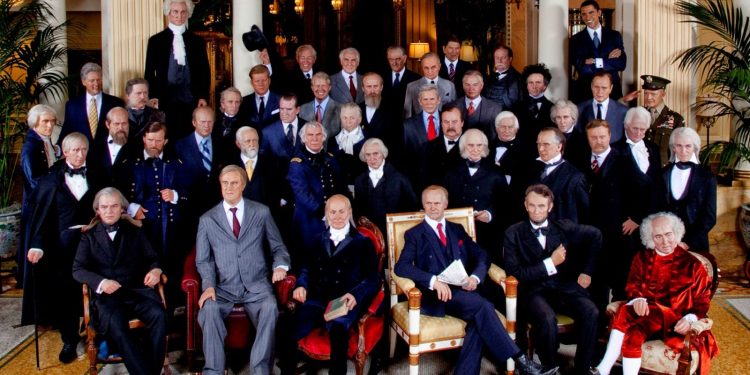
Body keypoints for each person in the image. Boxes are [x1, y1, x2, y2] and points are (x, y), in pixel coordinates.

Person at [393, 185, 556, 375]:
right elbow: (401, 266)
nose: (433, 207)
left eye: (437, 202)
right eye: (428, 203)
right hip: (437, 295)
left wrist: (476, 277)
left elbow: (483, 255)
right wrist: (433, 281)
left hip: (465, 291)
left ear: (445, 204)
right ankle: (522, 361)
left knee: (479, 322)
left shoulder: (457, 229)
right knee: (484, 307)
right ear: (423, 204)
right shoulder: (414, 234)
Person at [591, 212, 718, 375]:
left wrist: (690, 318)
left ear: (676, 233)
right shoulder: (641, 258)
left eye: (668, 234)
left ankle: (603, 369)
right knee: (633, 335)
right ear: (650, 238)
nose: (665, 241)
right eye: (658, 236)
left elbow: (702, 302)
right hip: (645, 318)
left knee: (625, 310)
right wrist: (637, 299)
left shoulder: (693, 265)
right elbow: (633, 286)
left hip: (674, 323)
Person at [196, 165, 291, 375]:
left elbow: (278, 247)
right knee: (209, 310)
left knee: (269, 307)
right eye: (225, 183)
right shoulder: (207, 220)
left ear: (243, 185)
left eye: (234, 183)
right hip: (222, 287)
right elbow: (203, 260)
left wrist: (280, 266)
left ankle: (260, 369)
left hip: (256, 285)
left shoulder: (261, 212)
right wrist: (209, 286)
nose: (229, 188)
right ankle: (214, 370)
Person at [503, 184, 601, 375]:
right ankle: (550, 367)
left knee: (592, 311)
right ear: (525, 205)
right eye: (532, 205)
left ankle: (583, 368)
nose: (536, 210)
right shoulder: (513, 233)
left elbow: (596, 236)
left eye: (541, 206)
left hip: (563, 288)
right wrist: (550, 263)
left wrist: (587, 271)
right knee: (547, 319)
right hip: (533, 291)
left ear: (550, 207)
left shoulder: (564, 227)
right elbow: (516, 273)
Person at [22, 133, 100, 364]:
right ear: (64, 152)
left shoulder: (99, 175)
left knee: (98, 289)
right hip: (62, 247)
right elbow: (41, 218)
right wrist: (37, 245)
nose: (80, 154)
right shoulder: (50, 181)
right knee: (65, 293)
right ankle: (69, 339)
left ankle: (101, 335)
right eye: (75, 150)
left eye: (83, 149)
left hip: (95, 244)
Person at [280, 195, 379, 375]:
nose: (338, 216)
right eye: (333, 212)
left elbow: (373, 278)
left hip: (344, 301)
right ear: (326, 213)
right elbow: (306, 269)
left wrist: (355, 295)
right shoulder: (316, 239)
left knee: (338, 334)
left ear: (349, 212)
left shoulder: (363, 242)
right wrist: (301, 285)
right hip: (317, 298)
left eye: (342, 211)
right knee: (288, 327)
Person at [72, 187, 167, 375]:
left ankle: (151, 371)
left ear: (122, 209)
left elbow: (153, 258)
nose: (109, 211)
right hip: (108, 300)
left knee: (159, 316)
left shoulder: (135, 231)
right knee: (118, 327)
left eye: (114, 206)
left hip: (137, 292)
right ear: (97, 210)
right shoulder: (88, 236)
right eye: (104, 207)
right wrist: (101, 282)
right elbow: (78, 269)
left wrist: (156, 270)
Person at [120, 122, 188, 303]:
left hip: (171, 228)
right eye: (150, 140)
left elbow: (190, 191)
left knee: (172, 266)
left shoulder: (176, 163)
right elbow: (119, 193)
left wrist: (175, 195)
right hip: (141, 228)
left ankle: (172, 311)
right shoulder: (129, 165)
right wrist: (132, 208)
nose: (153, 144)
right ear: (143, 139)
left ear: (165, 141)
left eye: (158, 140)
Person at [612, 107, 662, 299]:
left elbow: (656, 188)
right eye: (635, 129)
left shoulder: (654, 149)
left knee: (649, 273)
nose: (639, 133)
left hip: (649, 221)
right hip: (626, 224)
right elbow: (616, 192)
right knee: (625, 272)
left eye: (643, 130)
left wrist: (644, 218)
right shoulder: (615, 150)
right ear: (626, 126)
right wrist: (632, 219)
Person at [578, 120, 628, 308]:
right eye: (593, 137)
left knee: (618, 285)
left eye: (602, 137)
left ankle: (616, 330)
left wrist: (635, 219)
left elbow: (642, 188)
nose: (598, 141)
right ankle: (596, 333)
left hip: (616, 234)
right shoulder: (580, 160)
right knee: (594, 284)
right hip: (589, 234)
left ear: (609, 136)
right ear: (587, 139)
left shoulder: (623, 160)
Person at [144, 0, 210, 139]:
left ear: (188, 13)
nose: (179, 16)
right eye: (175, 11)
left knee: (190, 136)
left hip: (190, 98)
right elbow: (149, 72)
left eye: (183, 12)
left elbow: (204, 72)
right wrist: (153, 95)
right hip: (165, 99)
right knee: (166, 135)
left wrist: (203, 95)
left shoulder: (197, 41)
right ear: (168, 12)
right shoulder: (156, 41)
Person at [443, 129, 508, 256]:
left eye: (479, 145)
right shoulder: (451, 172)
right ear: (463, 146)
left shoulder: (495, 172)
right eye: (471, 145)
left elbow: (505, 203)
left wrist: (489, 214)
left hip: (487, 233)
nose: (475, 149)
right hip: (458, 231)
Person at [287, 122, 348, 259]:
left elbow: (340, 187)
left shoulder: (331, 159)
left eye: (318, 135)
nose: (314, 138)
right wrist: (324, 212)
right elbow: (302, 195)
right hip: (310, 219)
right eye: (310, 135)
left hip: (335, 217)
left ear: (323, 137)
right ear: (303, 139)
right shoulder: (297, 163)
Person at [18, 104, 59, 286]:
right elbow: (33, 179)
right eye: (46, 121)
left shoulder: (44, 140)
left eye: (52, 121)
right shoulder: (31, 146)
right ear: (35, 123)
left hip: (46, 201)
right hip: (37, 203)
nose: (50, 126)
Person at [658, 127, 716, 253]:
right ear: (673, 147)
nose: (683, 151)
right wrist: (669, 241)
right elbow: (656, 210)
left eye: (688, 146)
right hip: (667, 244)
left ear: (695, 147)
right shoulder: (662, 174)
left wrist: (688, 243)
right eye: (679, 146)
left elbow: (709, 217)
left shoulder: (707, 177)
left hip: (696, 244)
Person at [353, 138, 417, 233]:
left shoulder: (400, 178)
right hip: (371, 234)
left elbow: (413, 207)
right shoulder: (359, 181)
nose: (372, 158)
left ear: (383, 154)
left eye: (376, 153)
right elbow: (358, 211)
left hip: (396, 231)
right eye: (368, 155)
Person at [526, 127, 589, 224]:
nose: (541, 149)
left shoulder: (575, 177)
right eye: (538, 144)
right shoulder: (528, 170)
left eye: (546, 144)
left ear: (559, 147)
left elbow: (584, 214)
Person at [569, 0, 626, 102]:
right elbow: (581, 67)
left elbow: (621, 64)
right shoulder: (575, 39)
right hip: (586, 93)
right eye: (584, 14)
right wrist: (607, 61)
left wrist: (595, 61)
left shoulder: (614, 36)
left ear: (599, 13)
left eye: (591, 12)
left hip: (612, 93)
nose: (587, 17)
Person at [59, 62, 124, 146]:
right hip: (82, 155)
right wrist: (57, 149)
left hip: (108, 155)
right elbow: (67, 130)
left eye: (98, 80)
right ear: (83, 82)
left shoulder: (115, 103)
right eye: (92, 81)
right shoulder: (72, 105)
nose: (96, 84)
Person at [175, 106, 223, 218]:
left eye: (210, 122)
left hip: (217, 205)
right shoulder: (180, 145)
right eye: (203, 122)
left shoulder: (222, 143)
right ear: (194, 122)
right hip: (190, 207)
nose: (206, 125)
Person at [230, 126, 281, 209]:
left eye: (255, 140)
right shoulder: (230, 166)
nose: (252, 144)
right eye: (247, 141)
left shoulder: (273, 164)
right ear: (238, 144)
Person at [402, 85, 441, 192]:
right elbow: (405, 157)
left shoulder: (447, 120)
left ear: (438, 100)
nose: (429, 103)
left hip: (444, 177)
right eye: (425, 99)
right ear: (420, 101)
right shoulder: (408, 125)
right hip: (419, 181)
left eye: (432, 99)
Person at [641, 75, 686, 165]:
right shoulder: (638, 115)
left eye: (653, 94)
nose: (648, 97)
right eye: (646, 93)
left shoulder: (676, 119)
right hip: (642, 170)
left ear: (663, 94)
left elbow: (679, 151)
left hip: (663, 171)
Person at [576, 72, 628, 143]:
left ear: (611, 88)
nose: (600, 92)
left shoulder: (623, 111)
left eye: (604, 88)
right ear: (591, 86)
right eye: (596, 87)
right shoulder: (579, 109)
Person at [88, 107, 134, 188]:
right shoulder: (95, 146)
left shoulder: (136, 147)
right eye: (116, 124)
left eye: (124, 123)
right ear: (107, 124)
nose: (121, 128)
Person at [403, 52, 457, 118]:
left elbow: (454, 110)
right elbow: (407, 115)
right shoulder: (411, 87)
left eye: (433, 67)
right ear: (422, 68)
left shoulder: (450, 85)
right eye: (426, 68)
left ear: (439, 66)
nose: (430, 71)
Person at [514, 63, 555, 146]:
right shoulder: (515, 107)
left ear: (545, 86)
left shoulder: (553, 108)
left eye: (538, 82)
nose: (534, 86)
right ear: (527, 85)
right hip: (521, 150)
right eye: (531, 83)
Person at [328, 103, 367, 186]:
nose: (348, 121)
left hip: (362, 186)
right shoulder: (332, 140)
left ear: (359, 119)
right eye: (344, 118)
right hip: (338, 186)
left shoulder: (368, 139)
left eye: (352, 118)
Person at [457, 70, 503, 141]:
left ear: (481, 86)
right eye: (467, 84)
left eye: (475, 85)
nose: (471, 88)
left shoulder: (495, 109)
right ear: (463, 85)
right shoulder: (453, 106)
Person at [426, 103, 464, 185]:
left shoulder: (472, 147)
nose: (450, 126)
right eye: (446, 122)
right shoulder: (427, 147)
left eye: (454, 122)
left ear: (462, 123)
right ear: (441, 123)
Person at [360, 72, 399, 151]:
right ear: (363, 88)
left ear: (381, 87)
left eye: (375, 86)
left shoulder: (394, 109)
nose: (372, 90)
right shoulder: (357, 108)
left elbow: (397, 140)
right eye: (369, 87)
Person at [261, 94, 304, 163]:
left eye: (289, 109)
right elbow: (263, 161)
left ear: (297, 110)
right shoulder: (267, 132)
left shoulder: (307, 127)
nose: (284, 113)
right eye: (282, 109)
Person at [238, 65, 280, 130]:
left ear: (269, 81)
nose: (261, 84)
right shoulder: (244, 102)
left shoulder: (281, 99)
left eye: (264, 80)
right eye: (257, 81)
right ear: (252, 83)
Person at [382, 46, 421, 118]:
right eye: (391, 59)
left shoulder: (416, 79)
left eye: (398, 59)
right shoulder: (381, 78)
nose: (394, 62)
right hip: (386, 123)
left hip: (407, 122)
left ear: (405, 58)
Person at [299, 72, 342, 137]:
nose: (320, 89)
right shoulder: (303, 109)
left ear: (329, 88)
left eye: (323, 85)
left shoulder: (340, 109)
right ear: (312, 88)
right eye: (317, 86)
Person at [483, 45, 522, 110]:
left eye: (503, 58)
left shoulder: (518, 78)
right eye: (497, 58)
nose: (499, 61)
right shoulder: (488, 78)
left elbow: (518, 104)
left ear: (510, 59)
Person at [551, 100, 588, 164]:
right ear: (554, 119)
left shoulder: (584, 140)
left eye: (565, 117)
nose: (562, 121)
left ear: (573, 119)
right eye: (558, 117)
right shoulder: (548, 136)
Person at [213, 87, 243, 165]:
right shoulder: (214, 123)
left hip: (237, 165)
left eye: (237, 102)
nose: (234, 105)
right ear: (222, 104)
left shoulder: (247, 123)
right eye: (230, 102)